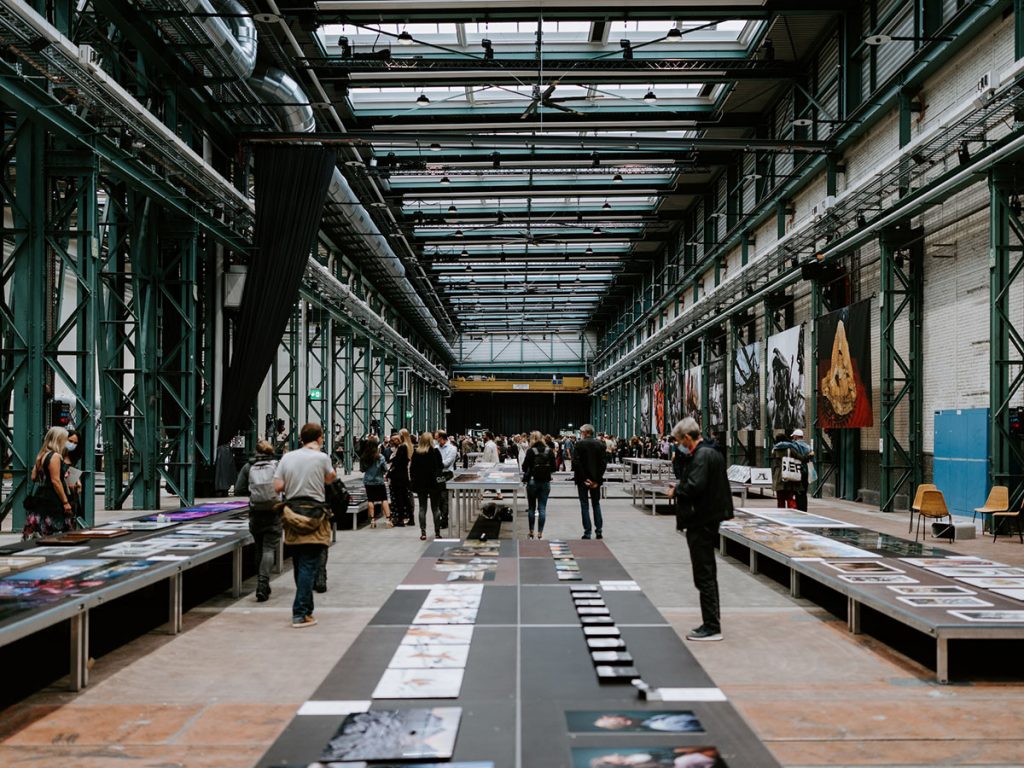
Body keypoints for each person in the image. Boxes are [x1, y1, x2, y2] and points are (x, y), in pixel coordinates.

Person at [667, 417, 734, 641]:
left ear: (687, 437)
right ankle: (712, 621)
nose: (679, 445)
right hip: (707, 518)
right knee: (707, 573)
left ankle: (711, 626)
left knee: (703, 574)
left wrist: (677, 490)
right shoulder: (710, 453)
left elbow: (695, 486)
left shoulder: (703, 455)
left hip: (702, 520)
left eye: (680, 441)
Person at [274, 422, 336, 629]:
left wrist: (294, 481)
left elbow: (277, 486)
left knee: (300, 563)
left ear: (301, 438)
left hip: (292, 514)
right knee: (309, 564)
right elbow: (331, 479)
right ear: (318, 438)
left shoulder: (287, 457)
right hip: (314, 514)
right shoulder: (322, 458)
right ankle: (300, 614)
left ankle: (307, 611)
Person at [235, 440, 281, 601]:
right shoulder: (277, 466)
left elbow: (238, 489)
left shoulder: (248, 466)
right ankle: (263, 584)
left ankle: (261, 584)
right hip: (273, 511)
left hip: (255, 513)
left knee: (259, 548)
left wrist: (254, 493)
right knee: (269, 548)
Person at [22, 426, 73, 539]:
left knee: (40, 528)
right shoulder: (55, 456)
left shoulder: (41, 455)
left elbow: (33, 477)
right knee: (55, 530)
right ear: (58, 439)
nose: (66, 442)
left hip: (41, 497)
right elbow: (56, 481)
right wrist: (65, 502)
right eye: (65, 439)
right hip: (52, 499)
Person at [573, 424, 607, 539]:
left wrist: (584, 478)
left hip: (582, 481)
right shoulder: (600, 444)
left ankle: (587, 532)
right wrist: (596, 479)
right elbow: (603, 464)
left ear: (585, 432)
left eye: (581, 432)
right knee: (596, 504)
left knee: (584, 506)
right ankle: (599, 531)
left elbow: (576, 463)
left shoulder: (579, 444)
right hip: (595, 481)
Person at [409, 431, 443, 541]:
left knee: (422, 508)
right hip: (434, 484)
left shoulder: (416, 453)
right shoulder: (436, 452)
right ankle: (437, 532)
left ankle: (423, 533)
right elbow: (441, 467)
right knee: (436, 508)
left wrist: (414, 480)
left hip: (420, 484)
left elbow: (412, 469)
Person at [520, 430, 554, 539]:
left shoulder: (530, 451)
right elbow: (554, 468)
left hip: (532, 482)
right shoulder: (549, 451)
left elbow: (524, 467)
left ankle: (531, 531)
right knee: (542, 508)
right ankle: (540, 532)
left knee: (531, 508)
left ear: (533, 439)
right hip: (545, 482)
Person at [359, 436, 390, 527]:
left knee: (370, 500)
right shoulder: (380, 457)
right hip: (379, 481)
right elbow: (385, 469)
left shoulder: (364, 457)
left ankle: (372, 521)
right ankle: (388, 519)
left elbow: (362, 470)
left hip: (368, 481)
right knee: (383, 499)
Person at [388, 430, 414, 526]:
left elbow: (397, 462)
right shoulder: (408, 447)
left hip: (398, 477)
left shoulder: (402, 447)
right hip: (404, 476)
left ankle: (401, 519)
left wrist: (389, 473)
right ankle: (411, 518)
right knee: (405, 498)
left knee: (399, 499)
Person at [771, 430, 803, 509]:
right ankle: (792, 511)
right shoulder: (790, 448)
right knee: (790, 497)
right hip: (789, 473)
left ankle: (781, 513)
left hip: (778, 475)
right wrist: (808, 457)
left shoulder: (775, 449)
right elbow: (800, 458)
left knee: (780, 499)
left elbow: (774, 462)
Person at [63, 429, 84, 526]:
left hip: (71, 494)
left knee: (72, 521)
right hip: (62, 493)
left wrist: (78, 482)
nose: (72, 445)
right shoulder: (57, 455)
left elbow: (71, 471)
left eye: (75, 443)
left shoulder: (72, 456)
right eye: (70, 441)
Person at [436, 430, 458, 526]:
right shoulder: (436, 447)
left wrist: (436, 463)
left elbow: (447, 463)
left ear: (441, 438)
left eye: (437, 438)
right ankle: (441, 516)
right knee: (438, 498)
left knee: (445, 498)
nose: (436, 440)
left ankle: (444, 519)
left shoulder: (452, 448)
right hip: (437, 474)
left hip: (447, 474)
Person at [790, 428, 815, 511]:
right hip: (806, 471)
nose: (793, 438)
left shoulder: (794, 445)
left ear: (796, 436)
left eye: (793, 436)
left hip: (797, 470)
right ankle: (804, 509)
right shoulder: (808, 446)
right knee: (804, 491)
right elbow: (812, 459)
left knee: (798, 491)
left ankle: (798, 508)